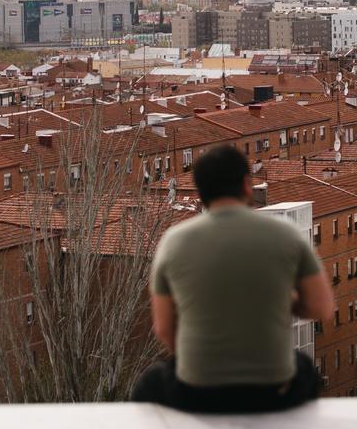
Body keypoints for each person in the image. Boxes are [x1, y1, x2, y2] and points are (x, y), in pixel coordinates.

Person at [132, 144, 334, 413]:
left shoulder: (174, 242)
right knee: (307, 369)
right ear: (247, 185)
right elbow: (322, 308)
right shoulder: (286, 234)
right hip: (273, 389)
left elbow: (165, 329)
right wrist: (284, 298)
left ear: (200, 191)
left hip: (198, 391)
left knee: (149, 383)